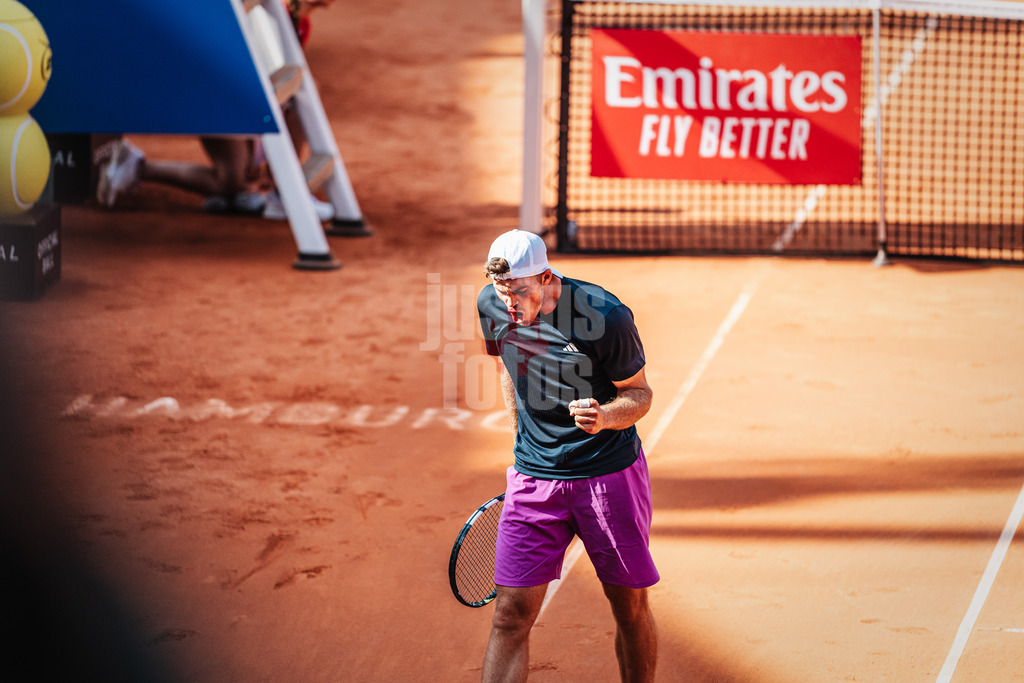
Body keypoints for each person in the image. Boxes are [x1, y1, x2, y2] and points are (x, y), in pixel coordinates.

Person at [476, 229, 659, 682]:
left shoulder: (605, 314)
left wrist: (604, 416)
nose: (510, 302)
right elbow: (506, 365)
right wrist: (522, 443)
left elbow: (639, 395)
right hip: (534, 479)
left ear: (545, 277)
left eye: (519, 291)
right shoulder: (491, 305)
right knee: (509, 615)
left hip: (607, 478)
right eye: (501, 291)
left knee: (629, 607)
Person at [95, 0, 335, 220]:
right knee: (231, 180)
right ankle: (280, 194)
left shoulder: (298, 23)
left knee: (231, 179)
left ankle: (272, 192)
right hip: (213, 93)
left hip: (241, 100)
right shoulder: (265, 13)